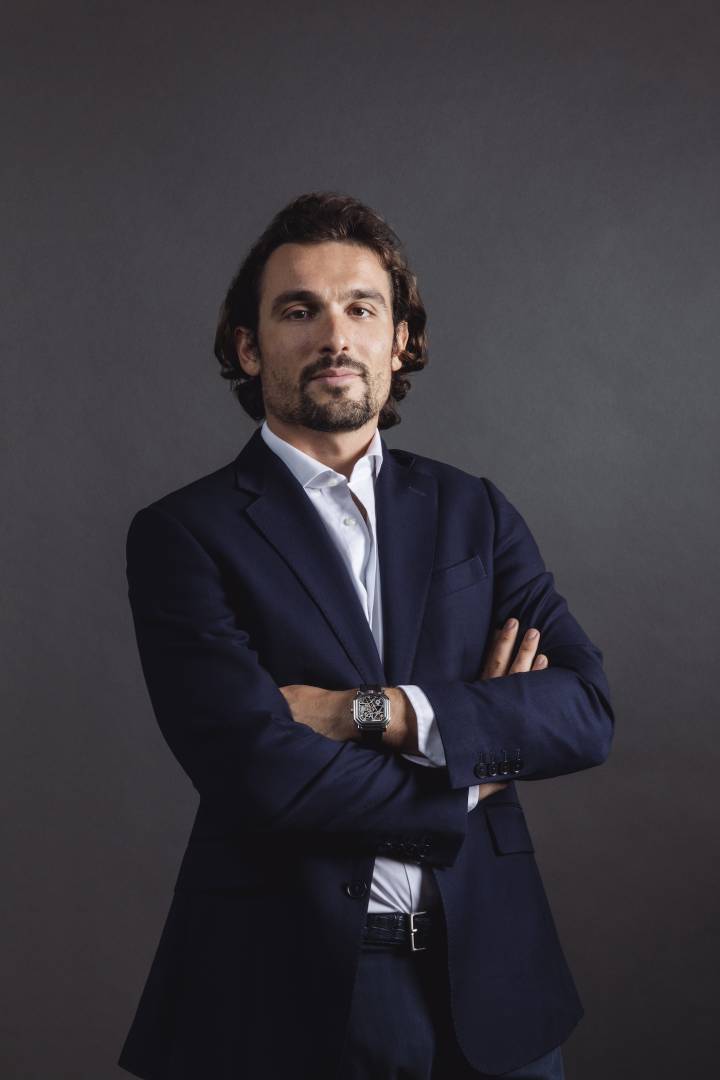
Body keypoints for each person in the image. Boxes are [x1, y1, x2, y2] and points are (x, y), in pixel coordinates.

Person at [117, 191, 614, 1080]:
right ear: (248, 346)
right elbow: (258, 772)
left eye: (361, 308)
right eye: (298, 311)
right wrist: (473, 770)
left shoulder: (474, 510)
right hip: (286, 992)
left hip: (499, 985)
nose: (334, 337)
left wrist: (368, 712)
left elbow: (583, 709)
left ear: (400, 341)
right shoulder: (183, 534)